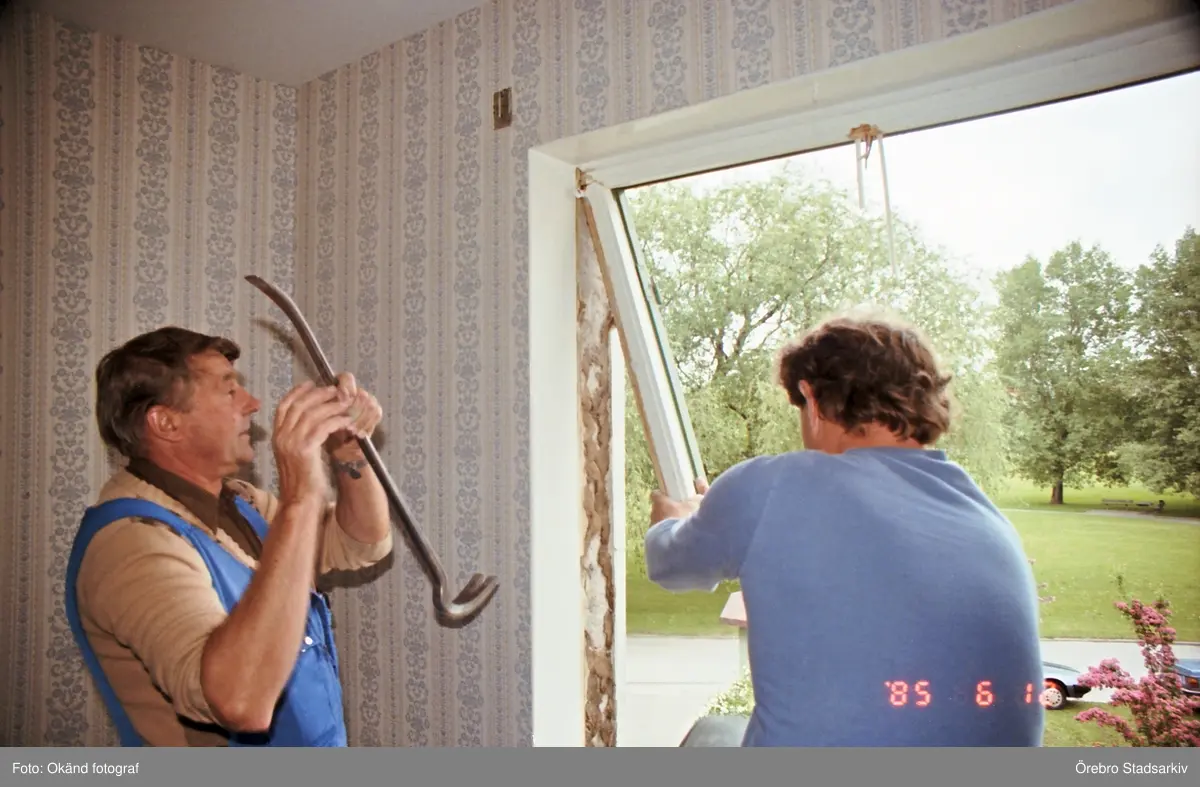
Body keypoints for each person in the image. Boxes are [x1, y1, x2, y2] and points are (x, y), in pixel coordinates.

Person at [646, 311, 1045, 747]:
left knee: (712, 735)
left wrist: (676, 517)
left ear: (811, 398)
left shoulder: (772, 485)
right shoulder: (987, 517)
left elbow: (670, 566)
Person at [65, 326, 394, 747]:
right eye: (229, 390)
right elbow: (240, 701)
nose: (253, 404)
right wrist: (301, 497)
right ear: (166, 422)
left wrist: (348, 454)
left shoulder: (240, 503)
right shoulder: (131, 542)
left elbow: (360, 542)